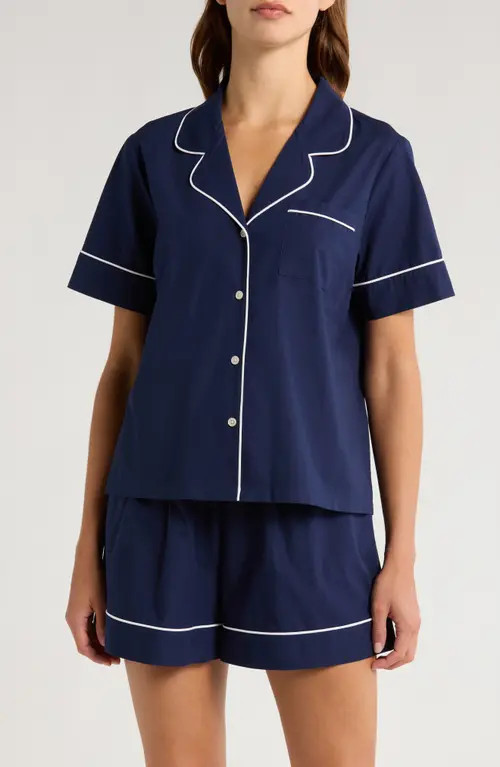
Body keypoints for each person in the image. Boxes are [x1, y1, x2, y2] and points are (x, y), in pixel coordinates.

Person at [65, 1, 455, 765]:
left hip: (314, 519)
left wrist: (401, 553)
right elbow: (123, 366)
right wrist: (89, 547)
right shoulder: (153, 156)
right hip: (162, 517)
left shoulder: (375, 158)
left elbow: (392, 369)